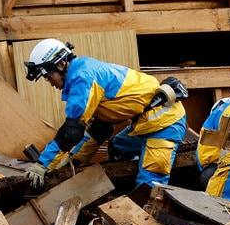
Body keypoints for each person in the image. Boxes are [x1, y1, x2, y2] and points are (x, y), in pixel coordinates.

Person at [22, 39, 187, 189]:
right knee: (117, 148)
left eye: (48, 76)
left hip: (165, 123)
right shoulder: (85, 69)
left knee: (148, 185)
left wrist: (43, 164)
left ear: (61, 64)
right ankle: (130, 181)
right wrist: (73, 161)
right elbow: (100, 129)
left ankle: (143, 192)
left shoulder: (82, 78)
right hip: (146, 123)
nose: (50, 82)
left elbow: (71, 132)